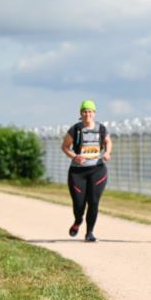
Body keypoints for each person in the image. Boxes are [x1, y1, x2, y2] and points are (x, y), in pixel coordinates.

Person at [61, 100, 111, 242]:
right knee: (79, 204)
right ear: (80, 113)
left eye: (90, 111)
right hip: (78, 173)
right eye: (84, 111)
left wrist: (107, 153)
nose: (87, 114)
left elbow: (108, 142)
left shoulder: (101, 128)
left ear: (94, 113)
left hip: (97, 170)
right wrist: (74, 156)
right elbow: (65, 147)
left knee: (94, 202)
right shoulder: (75, 129)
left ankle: (90, 233)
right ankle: (78, 220)